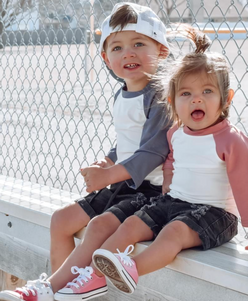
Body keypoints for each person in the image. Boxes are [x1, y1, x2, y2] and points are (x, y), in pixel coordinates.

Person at [0, 3, 174, 301]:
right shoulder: (123, 93)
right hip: (123, 182)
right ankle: (65, 290)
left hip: (149, 191)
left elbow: (151, 154)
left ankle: (48, 290)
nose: (128, 53)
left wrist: (107, 174)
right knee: (61, 220)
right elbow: (127, 143)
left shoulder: (160, 95)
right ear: (106, 58)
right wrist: (108, 160)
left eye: (139, 44)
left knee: (97, 226)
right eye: (117, 48)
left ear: (162, 50)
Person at [89, 27, 248, 295]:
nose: (197, 99)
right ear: (172, 102)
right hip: (174, 203)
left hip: (214, 213)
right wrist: (168, 179)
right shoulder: (175, 133)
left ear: (226, 99)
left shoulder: (231, 140)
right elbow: (171, 160)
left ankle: (130, 269)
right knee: (131, 224)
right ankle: (92, 275)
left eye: (207, 91)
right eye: (186, 94)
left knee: (174, 233)